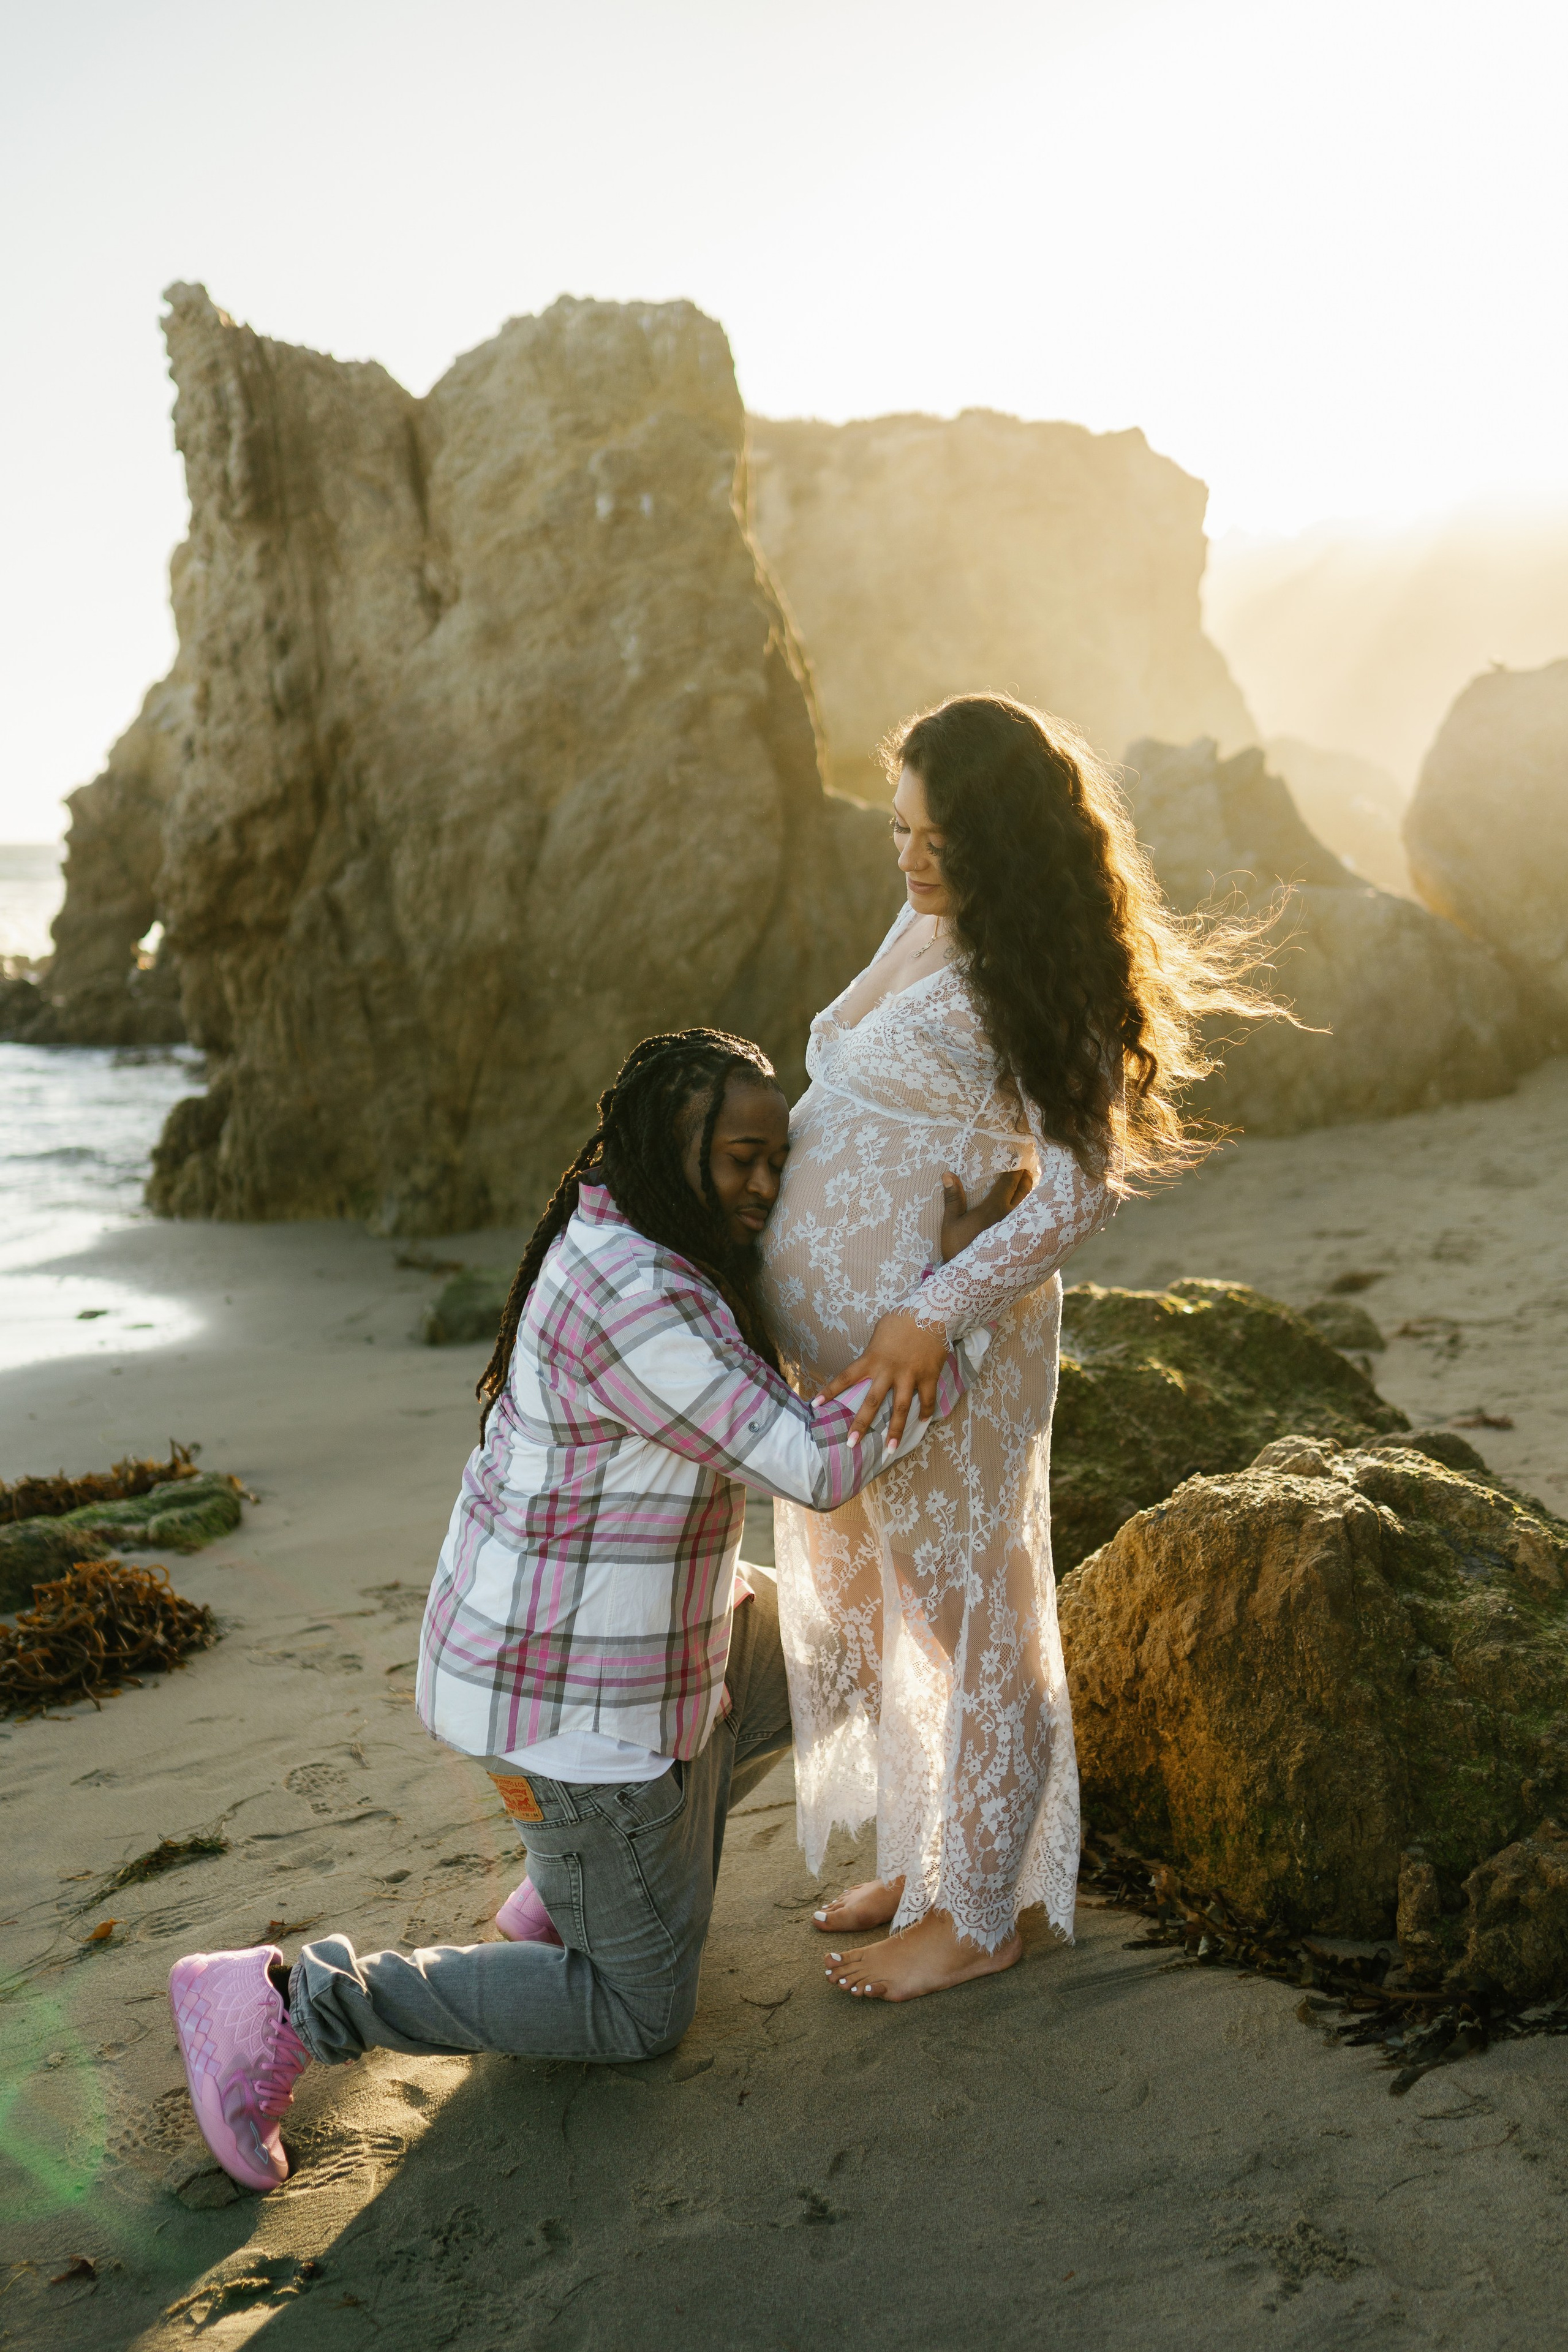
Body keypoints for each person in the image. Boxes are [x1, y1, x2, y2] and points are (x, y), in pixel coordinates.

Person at [166, 1027, 1007, 2193]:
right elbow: (811, 1463)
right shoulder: (631, 1295)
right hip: (562, 1715)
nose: (765, 1188)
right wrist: (944, 1312)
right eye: (739, 1163)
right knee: (635, 2012)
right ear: (669, 1151)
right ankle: (289, 2005)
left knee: (845, 1649)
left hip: (639, 1649)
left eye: (779, 1160)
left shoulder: (646, 1227)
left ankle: (569, 1889)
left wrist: (918, 1254)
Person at [760, 693, 1272, 2002]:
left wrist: (929, 1308)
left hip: (945, 1349)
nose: (911, 856)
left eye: (937, 837)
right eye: (899, 830)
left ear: (1004, 837)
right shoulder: (929, 916)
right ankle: (932, 1860)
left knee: (970, 1614)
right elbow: (868, 1081)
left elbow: (1077, 1185)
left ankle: (981, 1910)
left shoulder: (1039, 959)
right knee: (891, 1606)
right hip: (854, 1366)